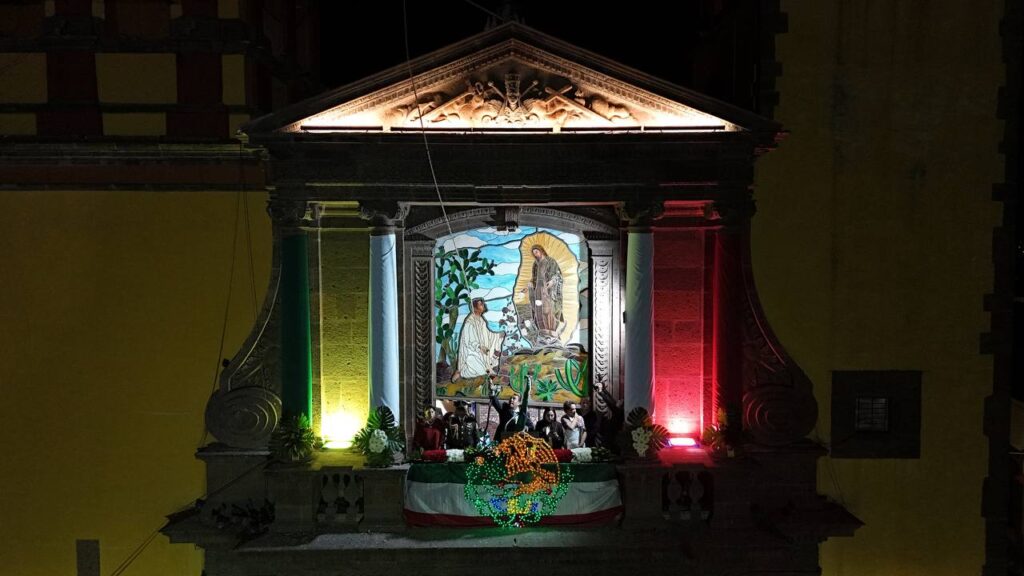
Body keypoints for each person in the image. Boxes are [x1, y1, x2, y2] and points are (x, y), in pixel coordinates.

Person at [452, 298, 504, 381]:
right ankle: (460, 373)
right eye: (481, 304)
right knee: (477, 366)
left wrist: (498, 334)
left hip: (483, 352)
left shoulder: (482, 319)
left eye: (483, 304)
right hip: (473, 352)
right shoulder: (469, 322)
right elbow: (469, 341)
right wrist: (479, 347)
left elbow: (488, 334)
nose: (483, 305)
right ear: (474, 308)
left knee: (498, 338)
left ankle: (490, 365)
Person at [521, 245, 564, 345]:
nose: (535, 254)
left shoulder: (551, 261)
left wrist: (553, 281)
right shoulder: (535, 264)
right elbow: (534, 278)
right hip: (538, 289)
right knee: (539, 309)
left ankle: (551, 331)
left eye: (536, 251)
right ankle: (542, 331)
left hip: (548, 289)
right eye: (534, 253)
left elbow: (558, 275)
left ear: (541, 251)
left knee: (549, 309)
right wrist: (528, 286)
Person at [490, 377, 532, 442]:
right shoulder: (504, 409)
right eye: (510, 398)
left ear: (519, 402)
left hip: (517, 442)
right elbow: (495, 402)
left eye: (514, 398)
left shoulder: (524, 413)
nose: (511, 400)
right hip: (503, 441)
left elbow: (531, 426)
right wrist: (492, 391)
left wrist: (526, 427)